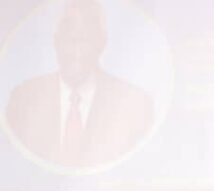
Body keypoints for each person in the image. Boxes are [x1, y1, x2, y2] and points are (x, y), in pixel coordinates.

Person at [5, 0, 154, 167]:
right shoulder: (23, 101)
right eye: (69, 39)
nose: (76, 51)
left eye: (85, 40)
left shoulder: (135, 105)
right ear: (56, 42)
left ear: (101, 43)